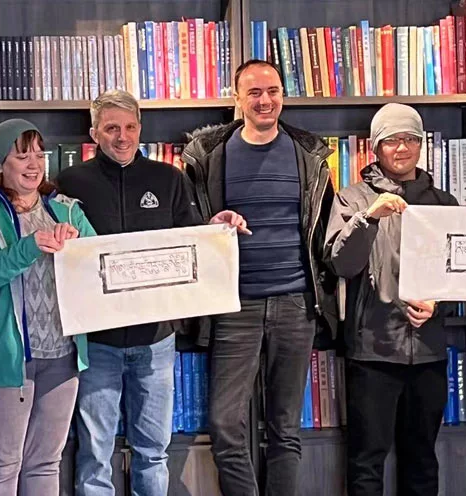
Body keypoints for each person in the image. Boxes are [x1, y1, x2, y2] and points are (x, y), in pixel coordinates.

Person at [56, 89, 247, 496]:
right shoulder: (70, 183)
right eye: (111, 128)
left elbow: (191, 241)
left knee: (153, 452)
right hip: (97, 343)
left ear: (140, 129)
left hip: (157, 341)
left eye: (129, 127)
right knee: (94, 454)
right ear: (94, 133)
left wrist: (217, 229)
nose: (122, 137)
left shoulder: (169, 178)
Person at [182, 59, 337, 496]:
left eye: (272, 91)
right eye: (254, 92)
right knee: (225, 423)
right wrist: (211, 226)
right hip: (234, 305)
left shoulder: (310, 156)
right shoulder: (207, 155)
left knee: (285, 426)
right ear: (237, 98)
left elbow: (325, 230)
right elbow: (188, 225)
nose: (265, 100)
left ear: (283, 95)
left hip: (296, 303)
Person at [0, 119, 96, 495]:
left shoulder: (68, 211)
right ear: (0, 164)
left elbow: (100, 267)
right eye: (22, 156)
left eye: (39, 154)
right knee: (2, 466)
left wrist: (80, 248)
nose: (34, 164)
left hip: (62, 358)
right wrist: (27, 248)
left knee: (46, 463)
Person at [324, 103, 457, 496]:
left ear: (421, 144)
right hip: (372, 352)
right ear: (375, 147)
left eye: (410, 139)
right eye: (391, 140)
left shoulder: (443, 203)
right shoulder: (351, 199)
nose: (402, 147)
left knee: (423, 461)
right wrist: (369, 217)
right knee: (366, 463)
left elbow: (460, 273)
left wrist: (437, 305)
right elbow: (341, 264)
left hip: (429, 353)